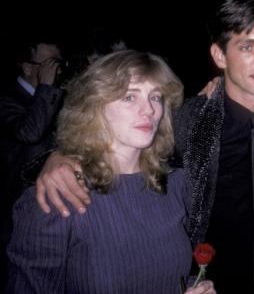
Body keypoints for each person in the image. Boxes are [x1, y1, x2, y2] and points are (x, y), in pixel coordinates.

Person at [34, 0, 254, 294]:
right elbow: (117, 143)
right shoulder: (189, 121)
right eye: (247, 47)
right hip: (211, 283)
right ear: (220, 56)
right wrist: (61, 156)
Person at [6, 50, 216, 294]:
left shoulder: (175, 184)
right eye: (129, 97)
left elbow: (166, 272)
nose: (149, 110)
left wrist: (192, 286)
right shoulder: (58, 196)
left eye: (156, 97)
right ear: (95, 106)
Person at [0, 38, 65, 289]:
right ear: (27, 67)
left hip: (52, 205)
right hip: (14, 207)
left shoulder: (56, 96)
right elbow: (29, 133)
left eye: (59, 63)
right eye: (51, 63)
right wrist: (47, 86)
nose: (57, 70)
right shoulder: (6, 98)